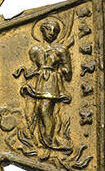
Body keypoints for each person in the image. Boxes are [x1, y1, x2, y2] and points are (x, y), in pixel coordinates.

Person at [19, 18, 73, 152]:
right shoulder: (34, 50)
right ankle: (42, 141)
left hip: (51, 81)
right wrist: (24, 72)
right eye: (48, 29)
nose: (52, 33)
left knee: (44, 110)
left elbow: (68, 72)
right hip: (40, 81)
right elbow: (33, 69)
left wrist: (58, 68)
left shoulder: (61, 50)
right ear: (42, 31)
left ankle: (49, 141)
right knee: (38, 109)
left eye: (55, 31)